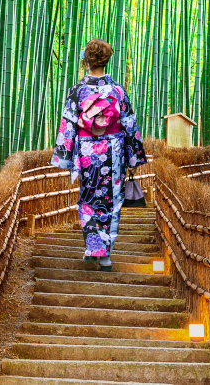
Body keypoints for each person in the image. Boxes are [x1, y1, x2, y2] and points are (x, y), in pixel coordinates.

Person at [49, 39, 148, 272]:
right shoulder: (117, 91)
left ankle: (93, 248)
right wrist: (133, 158)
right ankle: (105, 256)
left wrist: (65, 156)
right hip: (113, 152)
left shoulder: (77, 90)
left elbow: (69, 125)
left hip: (86, 152)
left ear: (86, 62)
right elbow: (129, 125)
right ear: (106, 61)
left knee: (88, 199)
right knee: (112, 201)